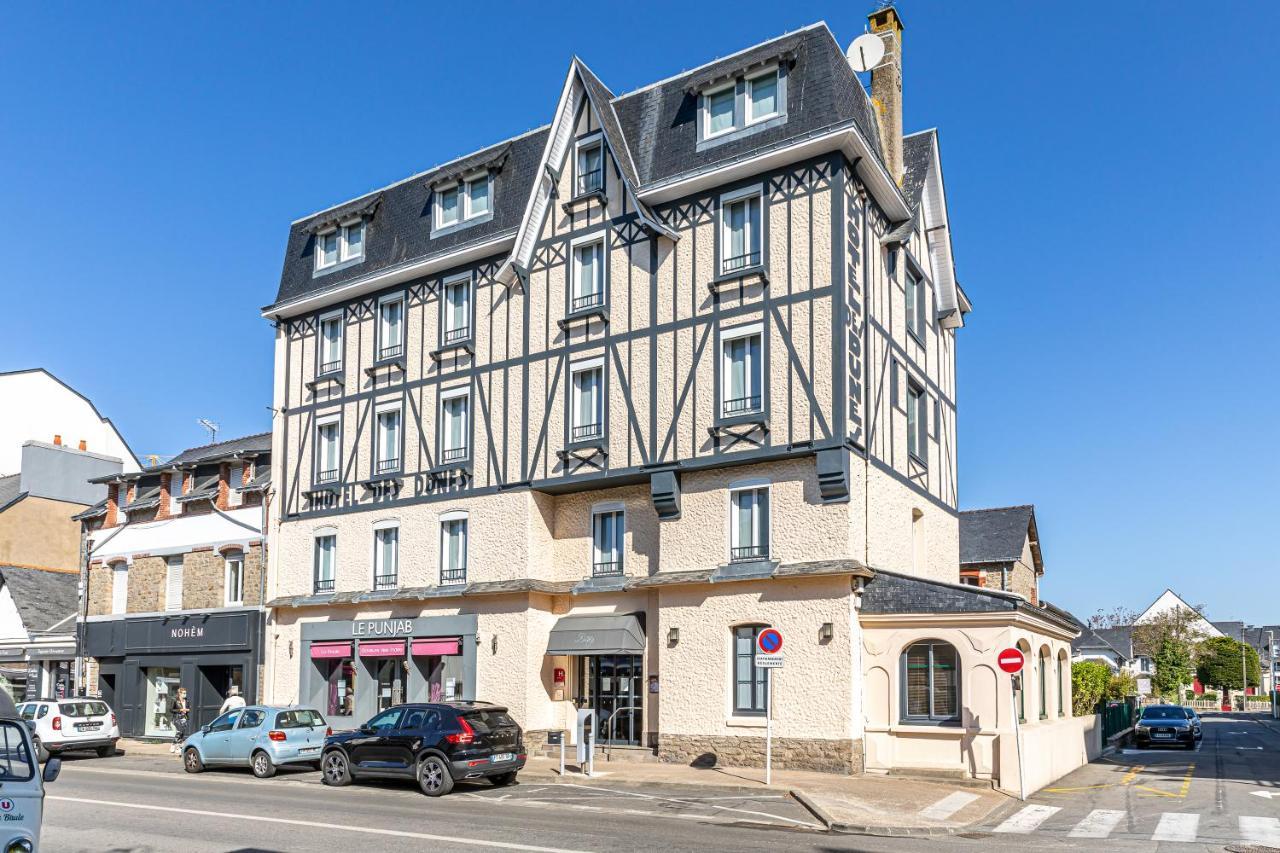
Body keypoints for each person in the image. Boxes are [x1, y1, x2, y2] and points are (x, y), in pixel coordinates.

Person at [169, 687, 191, 755]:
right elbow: (171, 709)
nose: (185, 694)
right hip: (177, 718)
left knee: (182, 733)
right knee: (179, 731)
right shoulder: (175, 700)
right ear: (180, 693)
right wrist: (180, 710)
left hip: (184, 718)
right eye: (184, 693)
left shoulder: (186, 700)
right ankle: (175, 746)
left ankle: (176, 745)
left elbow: (189, 707)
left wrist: (187, 710)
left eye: (185, 693)